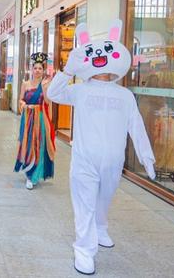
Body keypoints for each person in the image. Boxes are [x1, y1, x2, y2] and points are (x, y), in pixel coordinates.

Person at [46, 20, 156, 275]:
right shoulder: (80, 90)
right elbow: (52, 93)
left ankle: (101, 226)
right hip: (84, 159)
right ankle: (84, 250)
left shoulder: (125, 95)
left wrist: (146, 156)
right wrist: (67, 71)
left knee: (104, 199)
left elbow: (136, 125)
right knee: (84, 204)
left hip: (113, 161)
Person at [14, 52, 55, 190]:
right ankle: (28, 171)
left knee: (39, 145)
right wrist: (24, 106)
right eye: (35, 68)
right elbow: (20, 100)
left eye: (40, 68)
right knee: (28, 144)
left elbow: (48, 102)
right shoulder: (25, 84)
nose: (37, 71)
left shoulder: (46, 84)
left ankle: (34, 174)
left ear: (43, 71)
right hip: (27, 118)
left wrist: (44, 88)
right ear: (31, 69)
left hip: (40, 119)